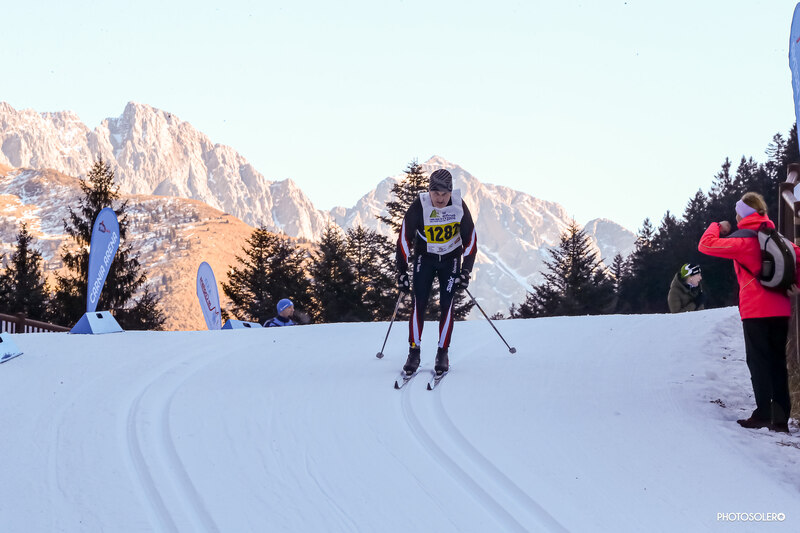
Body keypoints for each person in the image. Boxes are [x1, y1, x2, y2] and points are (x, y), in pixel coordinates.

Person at [698, 192, 800, 433]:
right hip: (781, 309)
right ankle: (780, 420)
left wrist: (717, 226)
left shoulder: (743, 241)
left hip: (756, 311)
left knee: (758, 361)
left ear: (741, 216)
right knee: (778, 362)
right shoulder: (779, 239)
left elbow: (706, 245)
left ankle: (763, 414)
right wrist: (796, 284)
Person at [396, 168, 477, 375]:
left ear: (451, 192)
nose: (440, 199)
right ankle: (414, 352)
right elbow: (404, 239)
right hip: (425, 259)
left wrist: (466, 271)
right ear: (429, 191)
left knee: (447, 304)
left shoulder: (458, 206)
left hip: (450, 260)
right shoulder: (420, 205)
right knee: (419, 303)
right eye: (435, 194)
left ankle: (442, 352)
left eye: (444, 194)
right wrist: (402, 272)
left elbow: (471, 241)